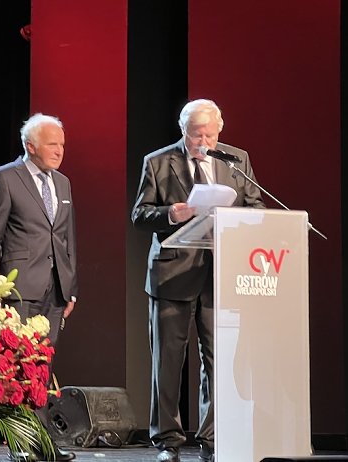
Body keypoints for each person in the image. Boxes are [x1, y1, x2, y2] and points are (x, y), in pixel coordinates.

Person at [130, 99, 265, 462]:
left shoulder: (236, 160)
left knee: (218, 362)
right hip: (172, 274)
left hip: (219, 275)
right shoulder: (158, 162)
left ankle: (212, 438)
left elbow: (257, 206)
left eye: (209, 134)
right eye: (195, 134)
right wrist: (170, 213)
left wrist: (233, 218)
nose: (203, 141)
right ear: (183, 130)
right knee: (168, 364)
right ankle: (168, 442)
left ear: (219, 131)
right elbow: (140, 215)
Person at [0, 113, 77, 462]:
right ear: (30, 145)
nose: (59, 151)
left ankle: (42, 442)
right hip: (19, 287)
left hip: (55, 289)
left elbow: (67, 239)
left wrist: (72, 287)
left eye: (62, 144)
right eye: (53, 144)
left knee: (43, 368)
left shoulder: (62, 183)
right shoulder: (6, 178)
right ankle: (21, 444)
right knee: (18, 366)